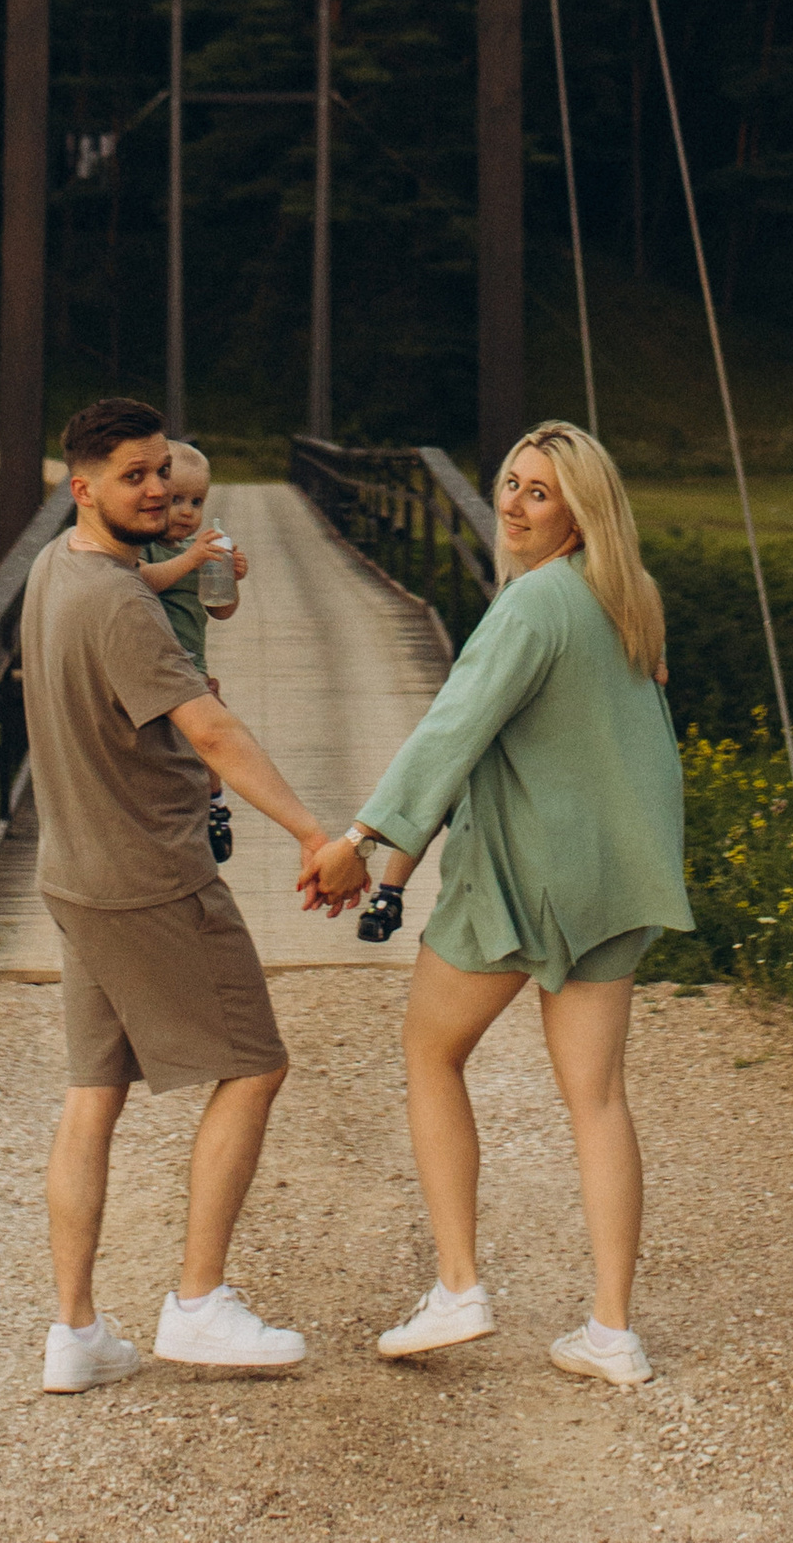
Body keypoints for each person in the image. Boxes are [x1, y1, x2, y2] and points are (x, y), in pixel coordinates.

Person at [305, 419, 691, 1389]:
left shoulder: (531, 611)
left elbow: (447, 733)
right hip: (608, 883)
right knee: (597, 1099)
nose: (513, 508)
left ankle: (459, 1287)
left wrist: (360, 846)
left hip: (521, 883)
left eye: (538, 494)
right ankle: (611, 1332)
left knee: (429, 1052)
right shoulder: (626, 599)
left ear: (577, 514)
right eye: (510, 485)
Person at [22, 395, 339, 1392]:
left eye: (164, 469)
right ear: (84, 488)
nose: (158, 488)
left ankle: (75, 1333)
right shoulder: (120, 604)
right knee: (252, 1066)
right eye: (135, 476)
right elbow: (212, 731)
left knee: (91, 1098)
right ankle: (199, 1304)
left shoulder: (52, 570)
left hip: (74, 872)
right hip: (149, 876)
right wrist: (311, 832)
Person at [136, 439, 247, 863]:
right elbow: (139, 581)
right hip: (152, 664)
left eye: (196, 502)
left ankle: (215, 805)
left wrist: (230, 578)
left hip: (192, 665)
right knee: (159, 744)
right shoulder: (142, 547)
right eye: (175, 500)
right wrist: (192, 560)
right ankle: (159, 814)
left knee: (211, 736)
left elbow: (220, 611)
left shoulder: (195, 550)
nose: (186, 512)